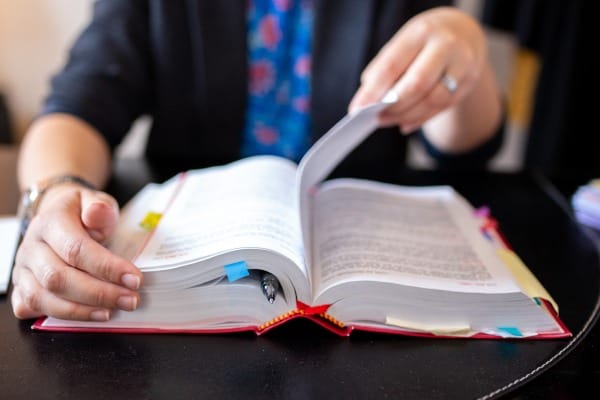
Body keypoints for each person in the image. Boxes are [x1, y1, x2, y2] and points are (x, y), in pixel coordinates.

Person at [11, 1, 504, 322]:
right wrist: (55, 191)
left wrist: (464, 47)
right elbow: (75, 109)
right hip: (184, 276)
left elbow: (465, 145)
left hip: (359, 285)